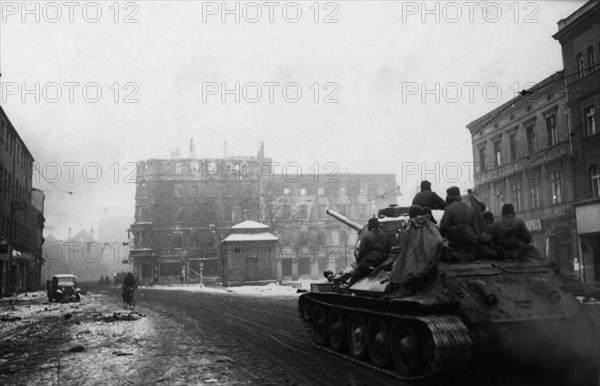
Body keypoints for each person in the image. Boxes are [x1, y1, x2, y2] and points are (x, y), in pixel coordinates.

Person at [439, 186, 479, 260]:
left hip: (455, 243)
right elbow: (476, 228)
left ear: (449, 196)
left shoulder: (449, 209)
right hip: (470, 243)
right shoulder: (470, 209)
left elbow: (443, 227)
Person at [350, 217, 391, 284]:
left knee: (354, 278)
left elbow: (362, 251)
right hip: (383, 261)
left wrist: (359, 262)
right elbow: (388, 249)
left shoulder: (367, 236)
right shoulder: (385, 235)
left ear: (369, 226)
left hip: (369, 262)